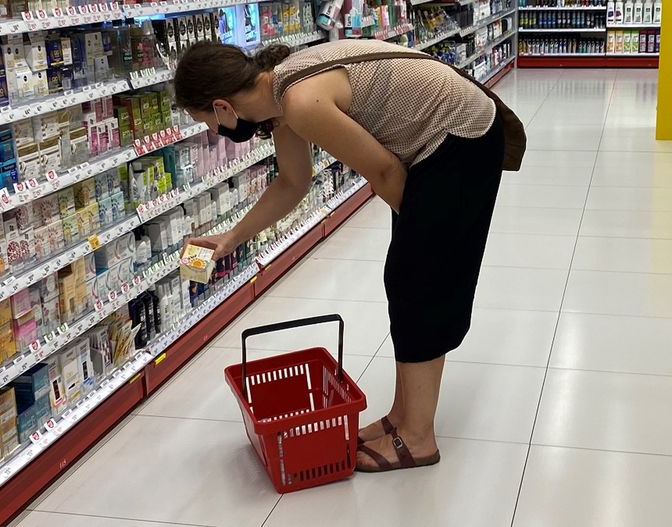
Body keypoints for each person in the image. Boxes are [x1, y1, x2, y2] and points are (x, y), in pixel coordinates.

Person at [174, 38, 511, 473]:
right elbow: (293, 182)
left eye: (204, 120)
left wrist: (425, 242)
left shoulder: (299, 101)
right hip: (437, 137)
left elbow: (384, 170)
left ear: (222, 107)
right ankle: (402, 418)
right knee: (407, 281)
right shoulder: (280, 95)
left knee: (419, 284)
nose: (212, 131)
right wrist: (232, 237)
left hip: (460, 135)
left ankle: (418, 437)